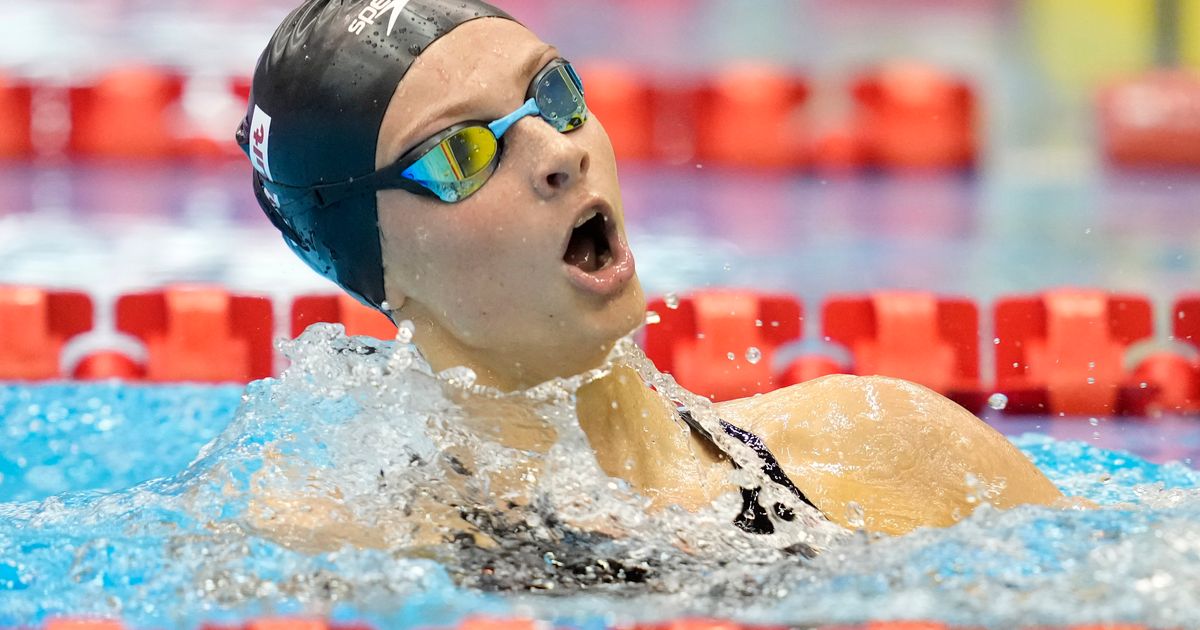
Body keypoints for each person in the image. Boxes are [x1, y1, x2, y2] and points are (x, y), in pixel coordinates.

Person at [238, 0, 1069, 544]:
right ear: (380, 263)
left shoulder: (888, 443)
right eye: (460, 152)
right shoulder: (351, 548)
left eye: (554, 94)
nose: (560, 152)